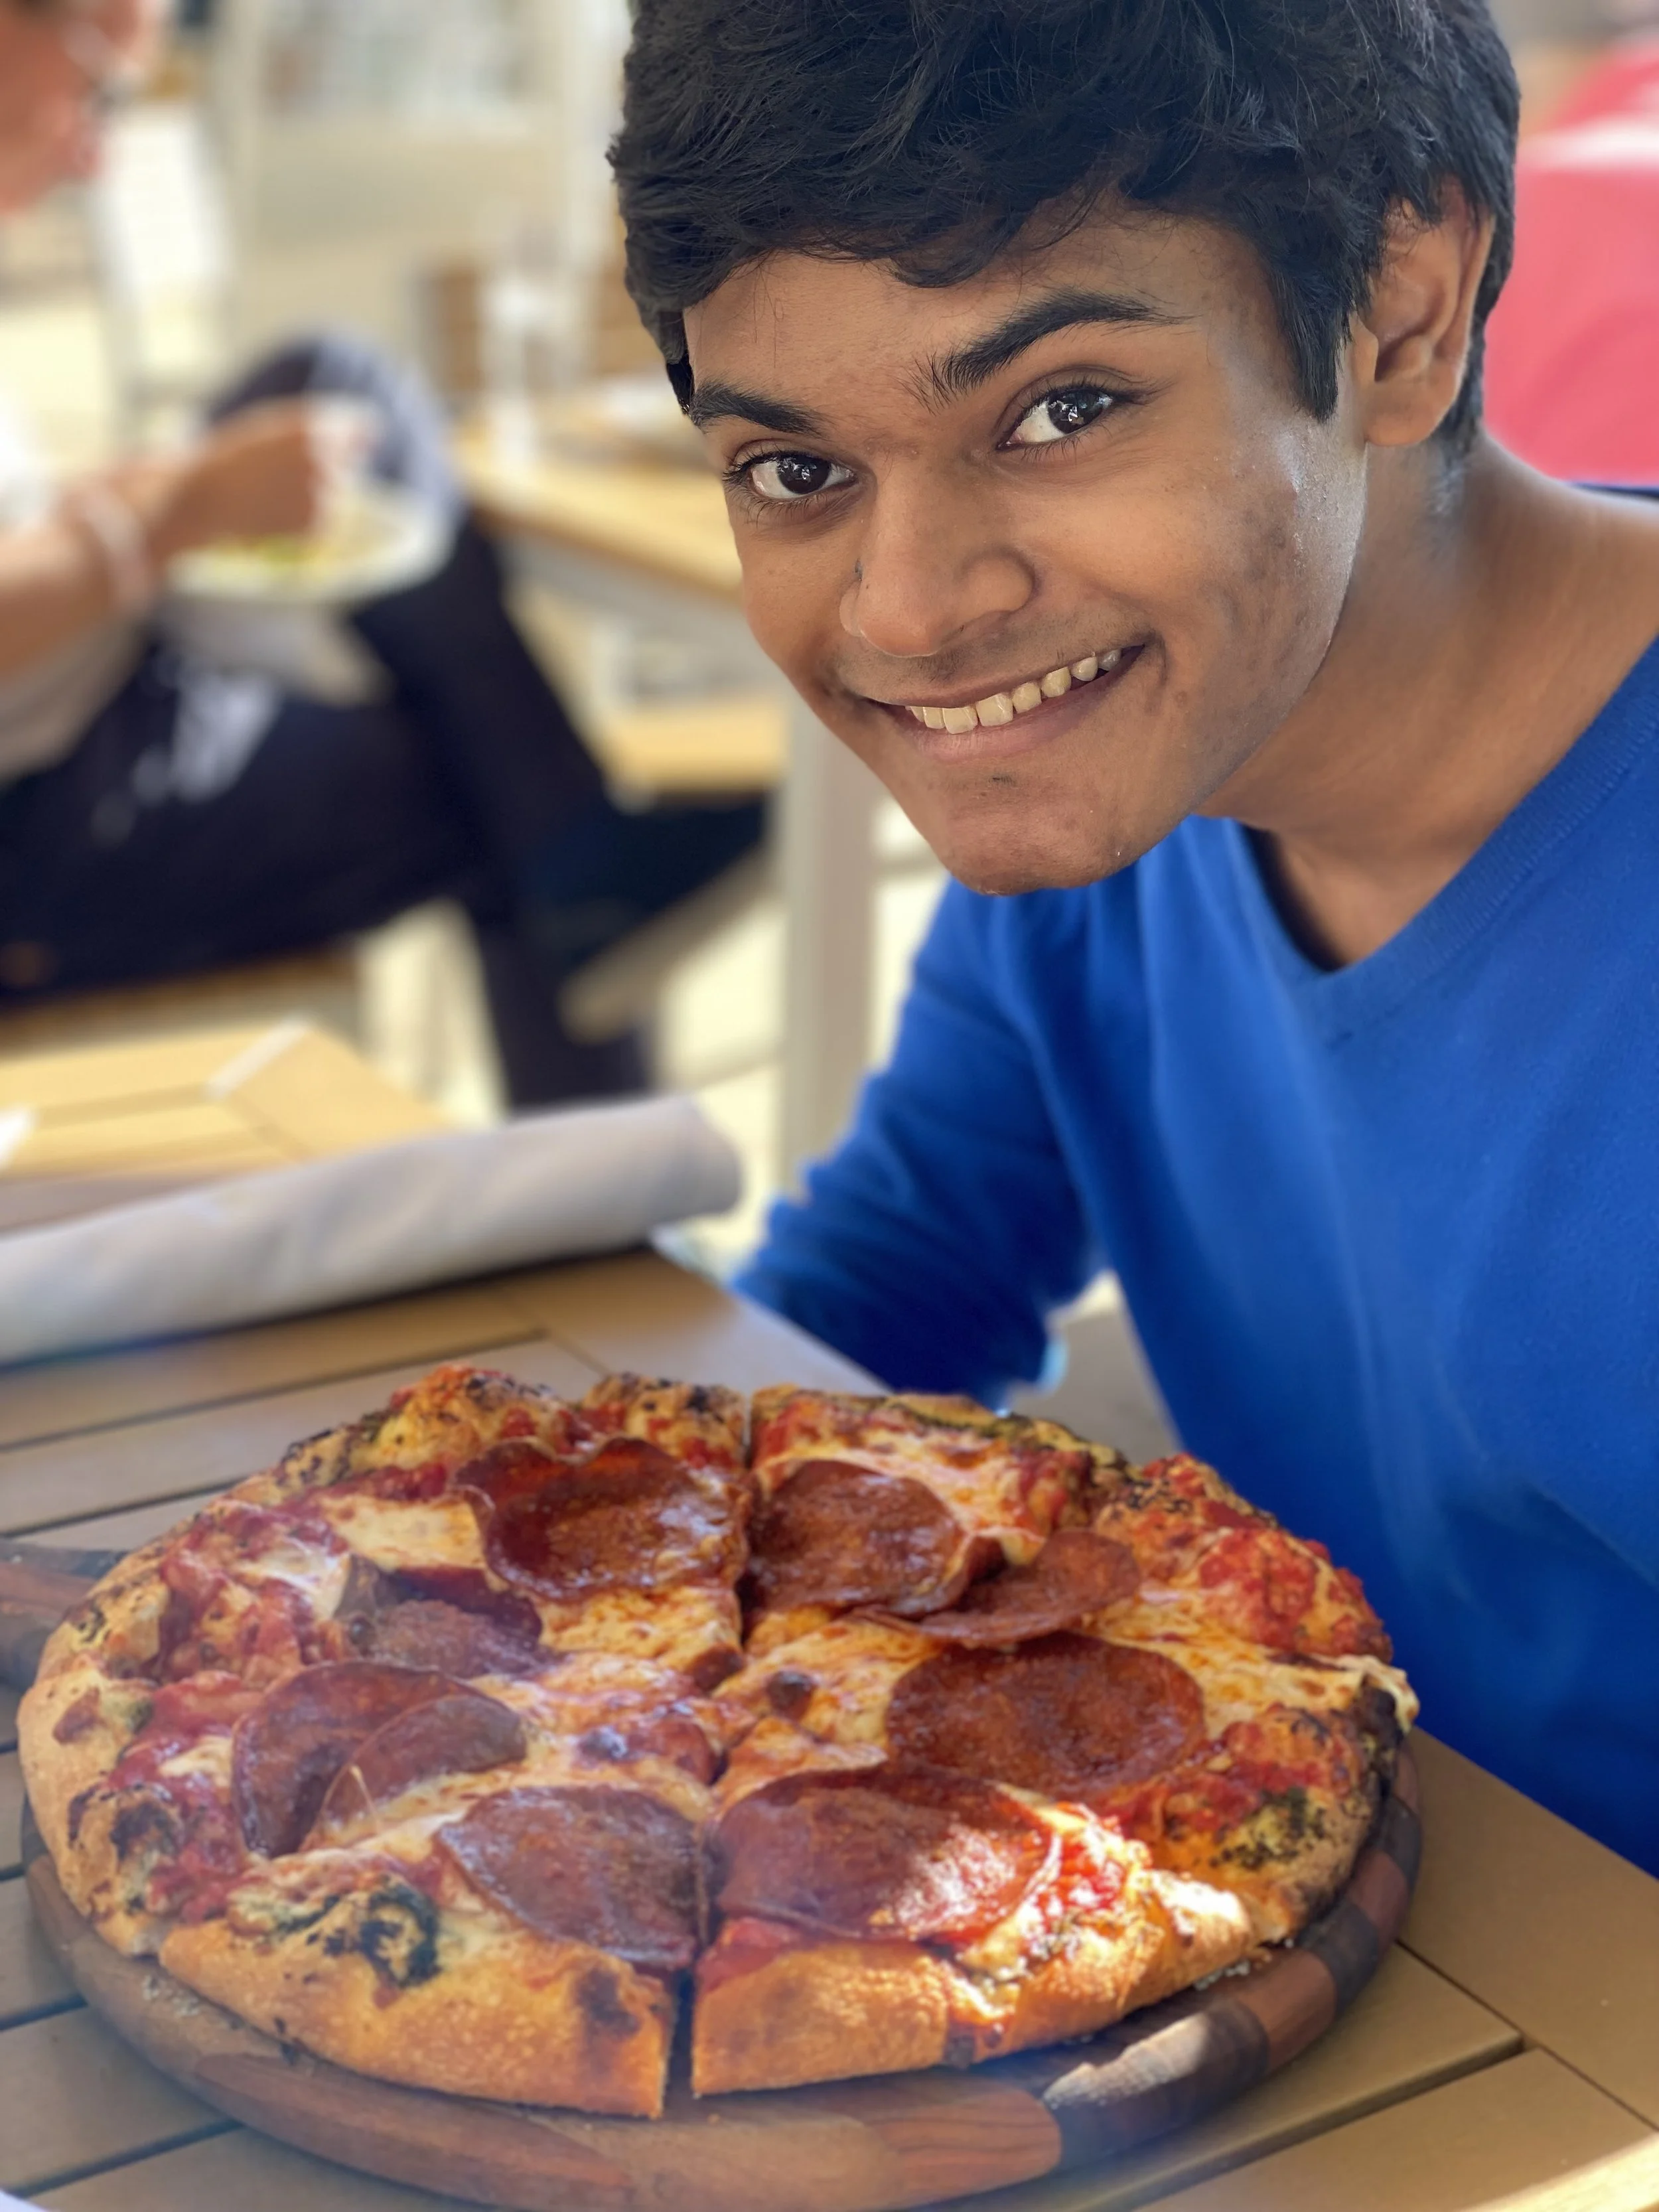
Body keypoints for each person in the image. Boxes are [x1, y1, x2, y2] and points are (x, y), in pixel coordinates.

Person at [612, 0, 1659, 1874]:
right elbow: (883, 1311)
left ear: (1400, 311)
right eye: (794, 471)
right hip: (1352, 1951)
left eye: (1061, 410)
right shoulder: (1132, 782)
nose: (915, 611)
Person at [0, 0, 762, 1105]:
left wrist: (123, 499)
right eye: (101, 87)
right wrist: (168, 516)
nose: (96, 149)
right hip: (44, 832)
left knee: (336, 378)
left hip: (93, 730)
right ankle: (603, 1171)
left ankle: (584, 885)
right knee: (488, 788)